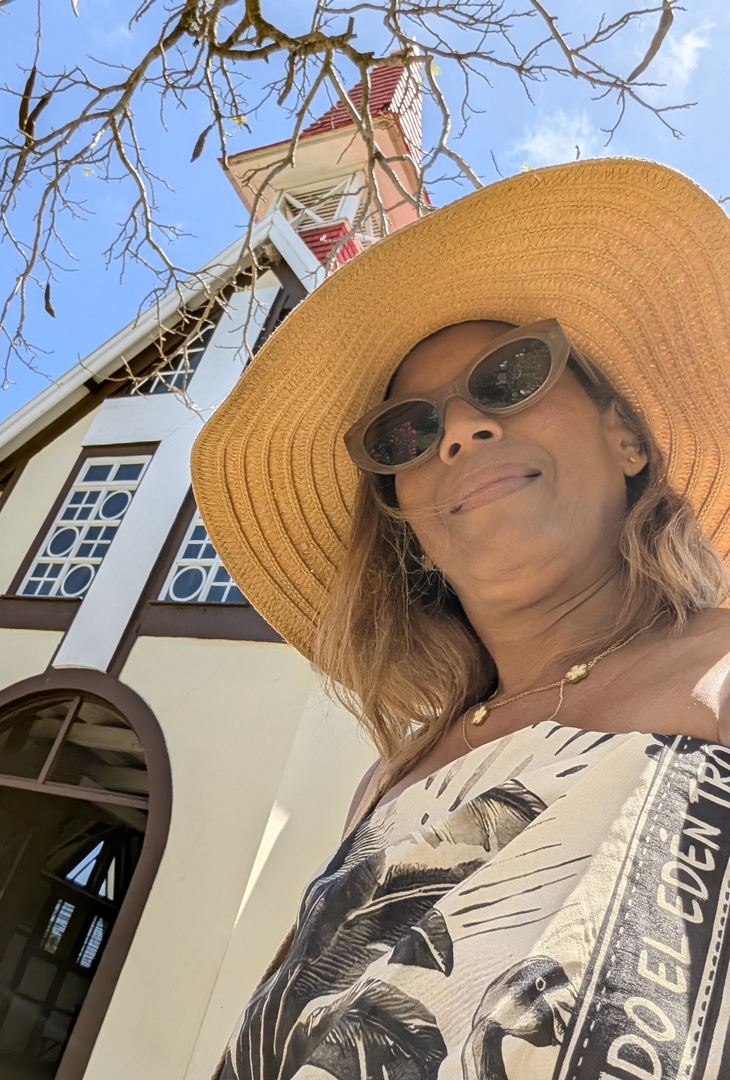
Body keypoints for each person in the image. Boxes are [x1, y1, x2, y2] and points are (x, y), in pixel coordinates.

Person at [191, 158, 730, 1080]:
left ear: (627, 437)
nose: (458, 433)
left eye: (513, 376)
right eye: (405, 433)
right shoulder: (386, 785)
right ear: (408, 524)